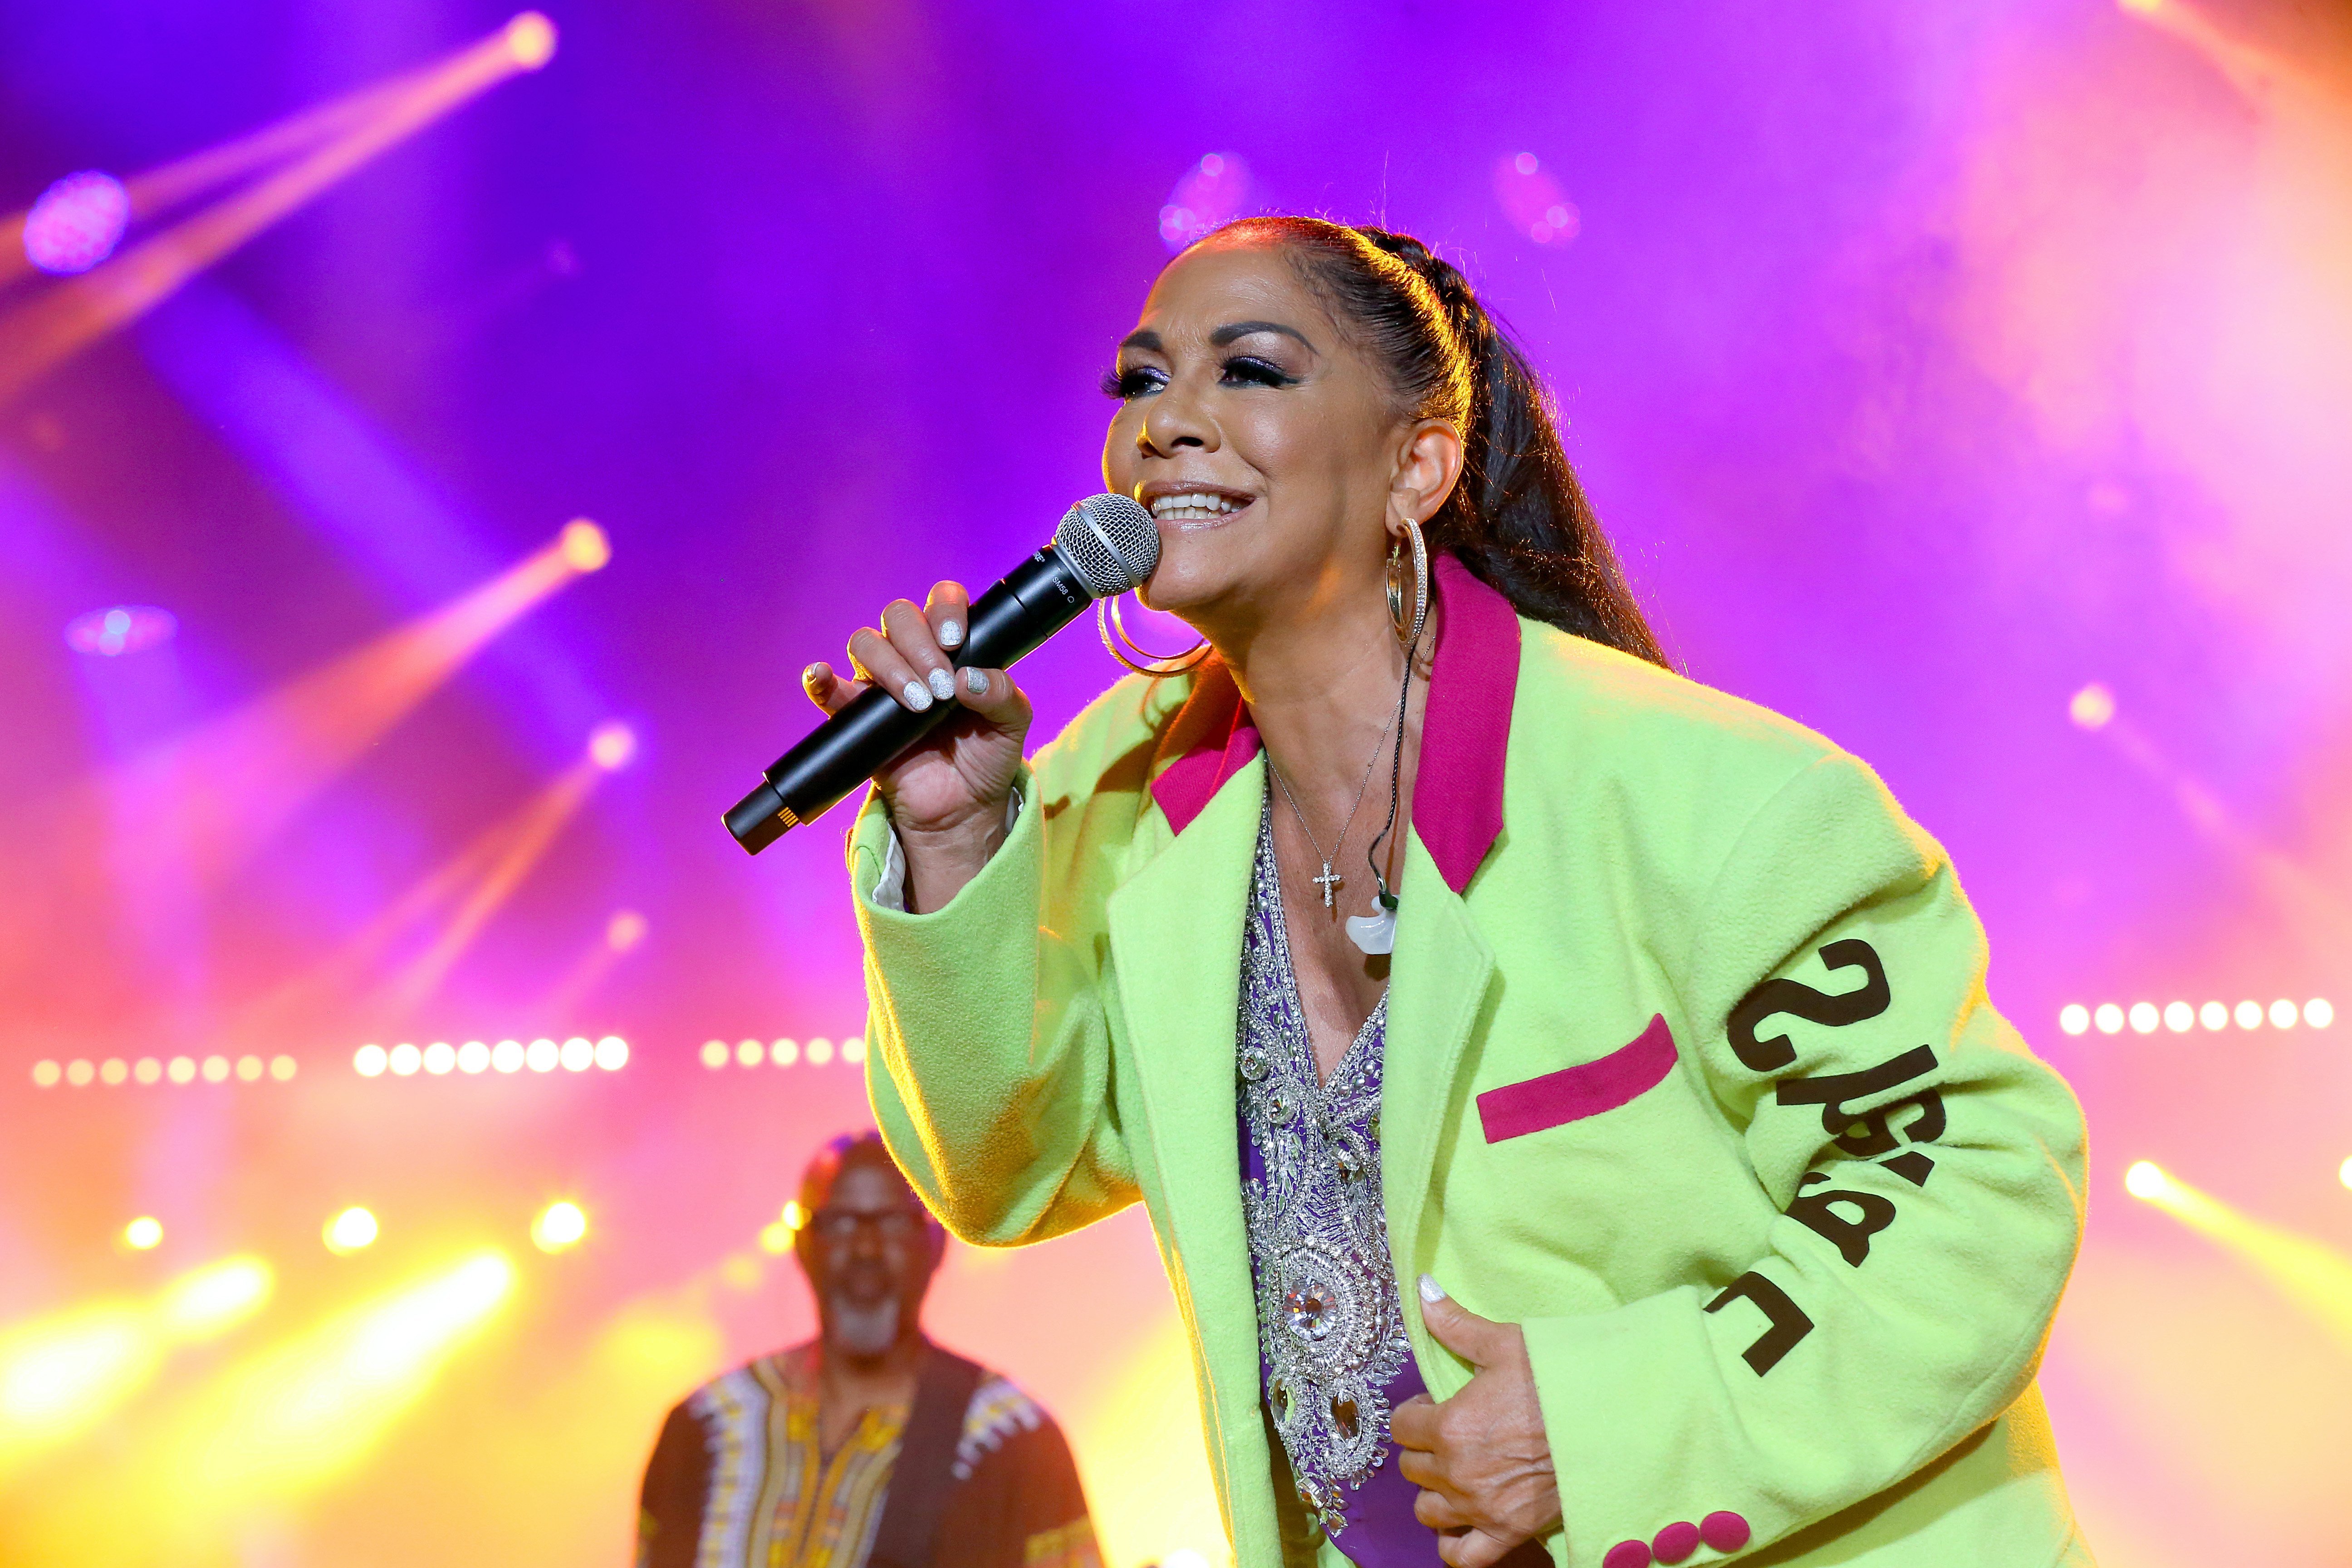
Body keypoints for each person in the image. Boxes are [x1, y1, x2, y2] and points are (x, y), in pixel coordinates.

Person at [803, 216, 2091, 1568]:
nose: (1168, 422)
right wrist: (952, 841)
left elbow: (1976, 1190)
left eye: (1249, 371)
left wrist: (1603, 1428)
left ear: (1416, 463)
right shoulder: (1131, 819)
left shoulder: (1700, 797)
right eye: (1139, 379)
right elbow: (1011, 1173)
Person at [636, 1131, 1100, 1568]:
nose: (866, 1248)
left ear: (936, 1246)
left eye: (894, 1222)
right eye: (839, 1222)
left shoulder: (1013, 1441)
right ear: (802, 1247)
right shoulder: (703, 1427)